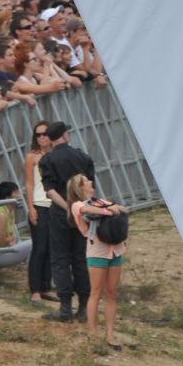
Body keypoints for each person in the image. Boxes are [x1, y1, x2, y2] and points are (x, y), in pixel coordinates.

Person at [37, 119, 94, 323]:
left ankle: (65, 308)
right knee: (80, 258)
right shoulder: (82, 156)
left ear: (50, 139)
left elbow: (50, 191)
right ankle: (85, 308)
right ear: (65, 135)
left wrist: (68, 208)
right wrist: (80, 208)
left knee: (60, 259)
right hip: (84, 213)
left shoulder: (46, 160)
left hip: (60, 214)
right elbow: (88, 187)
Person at [67, 173, 128, 347]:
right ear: (79, 187)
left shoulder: (99, 200)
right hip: (97, 251)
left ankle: (110, 334)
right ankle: (93, 334)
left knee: (111, 293)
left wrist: (115, 208)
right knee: (96, 292)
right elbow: (85, 211)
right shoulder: (78, 205)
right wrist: (106, 211)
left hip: (116, 250)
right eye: (86, 181)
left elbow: (123, 209)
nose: (90, 182)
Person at [0, 180, 32, 272]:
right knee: (34, 244)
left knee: (37, 243)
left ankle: (35, 276)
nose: (19, 196)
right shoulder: (1, 214)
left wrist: (12, 239)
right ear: (8, 196)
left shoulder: (9, 212)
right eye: (16, 193)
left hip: (4, 251)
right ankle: (35, 278)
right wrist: (12, 238)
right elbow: (2, 243)